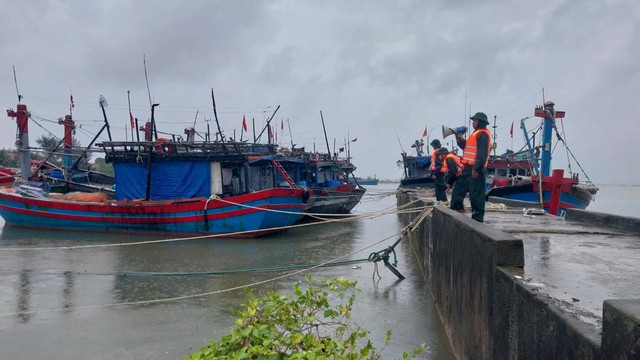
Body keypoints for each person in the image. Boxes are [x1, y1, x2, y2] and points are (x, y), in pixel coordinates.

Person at [449, 112, 492, 222]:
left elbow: (481, 155)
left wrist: (476, 168)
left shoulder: (482, 134)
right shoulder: (475, 134)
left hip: (476, 169)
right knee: (458, 190)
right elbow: (466, 147)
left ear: (481, 122)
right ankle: (455, 210)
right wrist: (459, 139)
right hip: (467, 168)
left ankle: (477, 219)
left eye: (475, 121)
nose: (473, 123)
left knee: (476, 195)